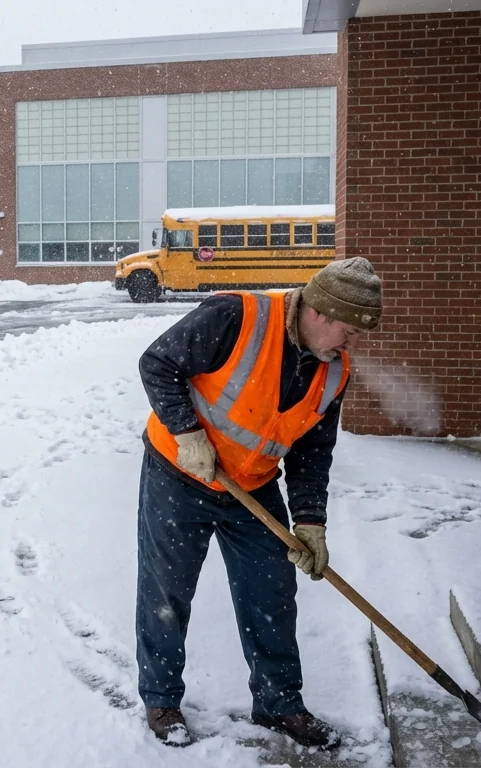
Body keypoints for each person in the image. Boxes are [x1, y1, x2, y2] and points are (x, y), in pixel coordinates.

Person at [134, 257, 382, 749]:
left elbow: (313, 450)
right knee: (167, 591)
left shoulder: (334, 372)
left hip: (253, 486)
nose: (352, 344)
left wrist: (311, 522)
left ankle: (278, 704)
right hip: (180, 474)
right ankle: (162, 700)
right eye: (350, 331)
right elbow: (158, 363)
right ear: (322, 312)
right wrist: (187, 432)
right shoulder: (235, 316)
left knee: (270, 592)